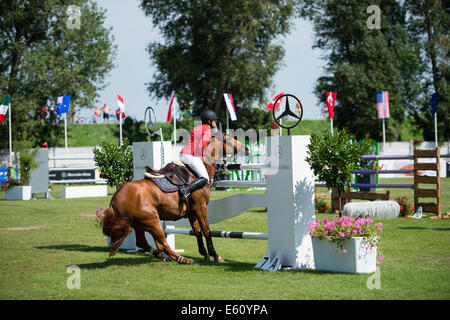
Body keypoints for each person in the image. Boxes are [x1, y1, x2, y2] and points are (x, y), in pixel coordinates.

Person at [178, 109, 220, 198]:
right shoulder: (208, 129)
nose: (215, 122)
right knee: (205, 178)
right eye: (214, 120)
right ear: (209, 121)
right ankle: (186, 190)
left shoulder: (197, 127)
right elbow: (200, 145)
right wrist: (200, 156)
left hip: (182, 155)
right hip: (191, 156)